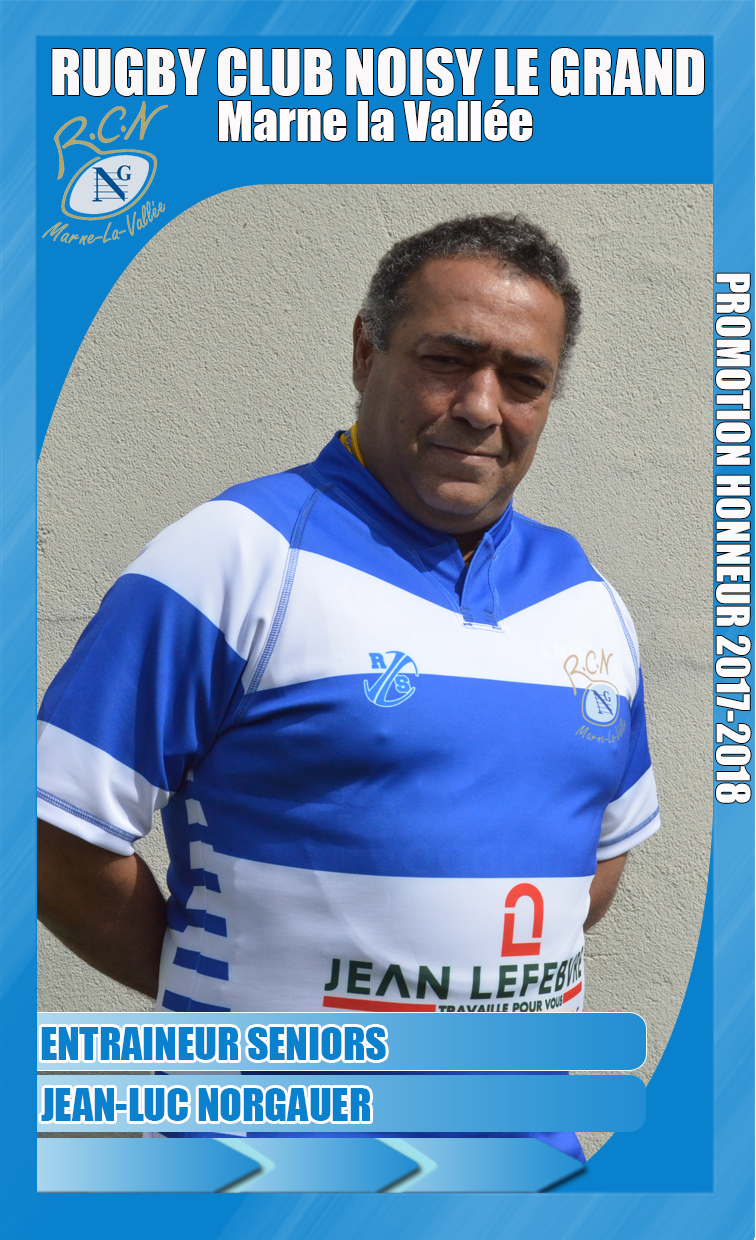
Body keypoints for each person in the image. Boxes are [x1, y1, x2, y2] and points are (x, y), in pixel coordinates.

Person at [38, 214, 660, 1030]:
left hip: (526, 1113)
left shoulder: (587, 597)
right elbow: (53, 839)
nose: (481, 407)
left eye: (523, 379)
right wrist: (232, 1004)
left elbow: (599, 855)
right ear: (367, 352)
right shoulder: (235, 555)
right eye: (447, 361)